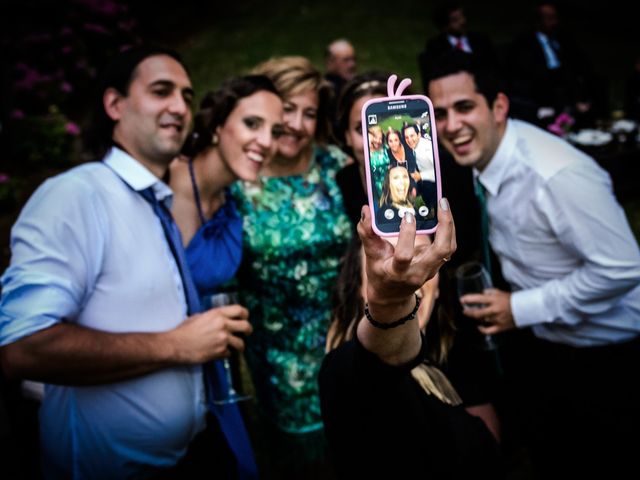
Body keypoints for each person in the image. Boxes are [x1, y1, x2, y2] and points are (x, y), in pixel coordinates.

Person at [0, 45, 255, 479]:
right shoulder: (77, 195)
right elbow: (23, 348)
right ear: (114, 104)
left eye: (187, 96)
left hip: (190, 455)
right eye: (162, 91)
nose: (180, 106)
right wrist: (178, 345)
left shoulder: (155, 202)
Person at [428, 50, 640, 478]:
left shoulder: (555, 174)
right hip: (547, 346)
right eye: (441, 113)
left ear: (498, 106)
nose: (451, 126)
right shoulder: (481, 153)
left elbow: (623, 268)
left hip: (607, 357)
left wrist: (518, 309)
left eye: (465, 107)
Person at [231, 55, 352, 478]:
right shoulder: (239, 179)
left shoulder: (338, 167)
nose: (297, 124)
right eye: (287, 109)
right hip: (278, 351)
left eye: (309, 113)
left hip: (346, 336)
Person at [319, 202, 504, 478]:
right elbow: (386, 357)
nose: (404, 269)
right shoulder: (344, 371)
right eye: (385, 259)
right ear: (360, 286)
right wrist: (391, 300)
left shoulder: (451, 348)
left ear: (439, 286)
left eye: (421, 255)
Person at [170, 75, 284, 297]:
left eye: (276, 132)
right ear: (217, 125)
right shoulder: (165, 183)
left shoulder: (229, 198)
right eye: (252, 124)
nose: (267, 142)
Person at [505, 1, 605, 127]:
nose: (554, 22)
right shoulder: (525, 45)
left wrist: (579, 97)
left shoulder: (562, 39)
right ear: (538, 21)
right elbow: (523, 80)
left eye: (555, 18)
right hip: (541, 93)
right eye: (549, 18)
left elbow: (577, 67)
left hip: (564, 89)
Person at [418, 1, 496, 92]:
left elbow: (492, 69)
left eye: (462, 17)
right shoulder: (436, 47)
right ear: (445, 26)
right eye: (455, 20)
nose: (462, 22)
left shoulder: (481, 40)